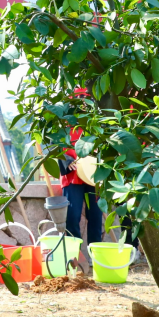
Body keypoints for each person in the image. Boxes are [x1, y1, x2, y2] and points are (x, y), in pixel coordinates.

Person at [60, 89, 103, 247]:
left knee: (96, 216)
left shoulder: (96, 121)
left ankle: (95, 253)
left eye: (86, 97)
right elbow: (56, 145)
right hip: (72, 175)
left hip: (93, 174)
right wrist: (66, 160)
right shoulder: (63, 122)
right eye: (79, 98)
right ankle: (73, 255)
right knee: (72, 216)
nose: (83, 101)